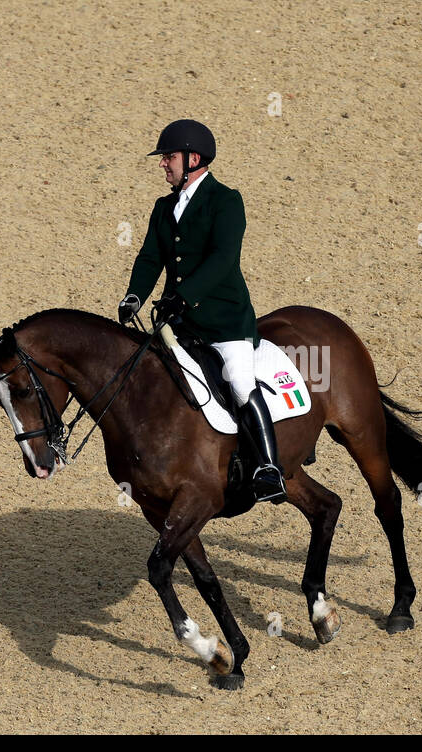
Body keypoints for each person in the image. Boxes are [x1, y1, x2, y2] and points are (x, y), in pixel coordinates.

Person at [117, 119, 286, 504]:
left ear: (194, 159)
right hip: (178, 322)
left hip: (224, 321)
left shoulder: (226, 200)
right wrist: (135, 296)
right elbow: (150, 258)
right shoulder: (163, 208)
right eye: (164, 158)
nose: (163, 164)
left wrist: (184, 295)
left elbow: (223, 259)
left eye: (169, 157)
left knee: (241, 384)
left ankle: (268, 468)